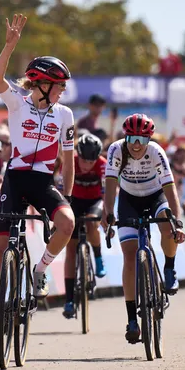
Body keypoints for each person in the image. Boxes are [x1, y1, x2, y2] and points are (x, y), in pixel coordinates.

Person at [0, 13, 76, 345]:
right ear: (41, 84)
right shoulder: (18, 103)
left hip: (42, 182)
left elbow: (68, 160)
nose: (62, 91)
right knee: (0, 252)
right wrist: (9, 46)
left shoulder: (65, 115)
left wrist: (68, 193)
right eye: (59, 85)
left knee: (67, 224)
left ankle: (39, 271)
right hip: (15, 179)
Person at [101, 113, 185, 344]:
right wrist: (108, 212)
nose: (137, 145)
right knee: (129, 257)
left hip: (155, 196)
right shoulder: (116, 150)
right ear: (125, 138)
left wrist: (176, 220)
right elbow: (110, 184)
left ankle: (169, 269)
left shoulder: (157, 152)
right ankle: (131, 319)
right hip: (129, 200)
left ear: (149, 139)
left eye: (142, 139)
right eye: (132, 139)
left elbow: (170, 187)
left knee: (167, 226)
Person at [62, 133, 107, 319]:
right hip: (74, 200)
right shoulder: (70, 161)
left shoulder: (103, 164)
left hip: (94, 202)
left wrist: (107, 214)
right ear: (77, 154)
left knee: (91, 224)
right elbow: (59, 188)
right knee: (70, 250)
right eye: (84, 161)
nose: (87, 165)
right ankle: (69, 300)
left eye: (91, 162)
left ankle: (97, 257)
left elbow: (107, 191)